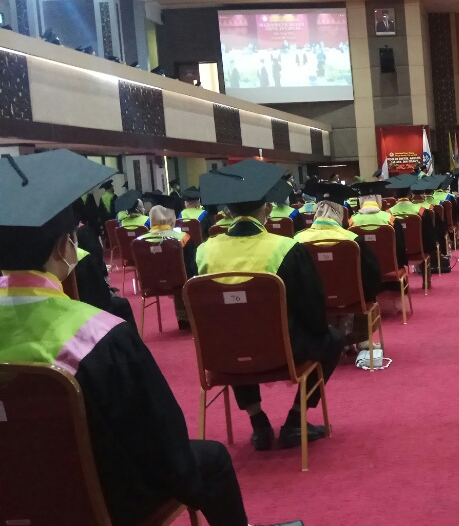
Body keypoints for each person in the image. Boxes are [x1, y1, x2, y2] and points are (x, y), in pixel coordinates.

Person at [0, 150, 301, 526]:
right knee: (211, 460)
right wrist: (184, 478)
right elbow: (158, 434)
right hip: (102, 502)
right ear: (64, 248)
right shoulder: (98, 336)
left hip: (10, 498)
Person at [196, 159, 344, 452]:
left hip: (221, 353)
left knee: (232, 328)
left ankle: (258, 422)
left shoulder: (203, 251)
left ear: (228, 212)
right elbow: (311, 308)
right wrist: (317, 332)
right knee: (333, 338)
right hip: (282, 351)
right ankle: (296, 420)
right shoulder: (286, 248)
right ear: (266, 209)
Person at [294, 184, 383, 338]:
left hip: (312, 305)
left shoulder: (297, 240)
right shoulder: (352, 240)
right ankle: (356, 337)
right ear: (341, 211)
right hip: (351, 301)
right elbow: (372, 276)